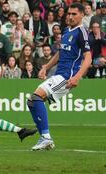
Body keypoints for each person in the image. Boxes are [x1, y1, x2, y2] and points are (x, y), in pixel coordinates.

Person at [27, 3, 92, 151]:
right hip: (58, 74)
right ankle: (45, 138)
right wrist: (46, 67)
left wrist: (77, 77)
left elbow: (88, 58)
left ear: (82, 15)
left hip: (66, 77)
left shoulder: (82, 32)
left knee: (36, 97)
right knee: (31, 102)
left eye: (74, 14)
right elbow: (60, 52)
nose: (70, 16)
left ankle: (46, 137)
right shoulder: (66, 30)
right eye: (69, 13)